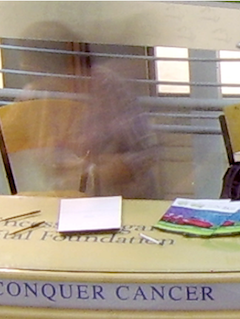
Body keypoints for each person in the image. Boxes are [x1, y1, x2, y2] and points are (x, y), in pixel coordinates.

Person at [17, 21, 160, 199]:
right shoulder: (34, 95)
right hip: (60, 204)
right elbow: (1, 146)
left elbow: (146, 154)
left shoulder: (109, 88)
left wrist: (95, 174)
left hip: (120, 204)